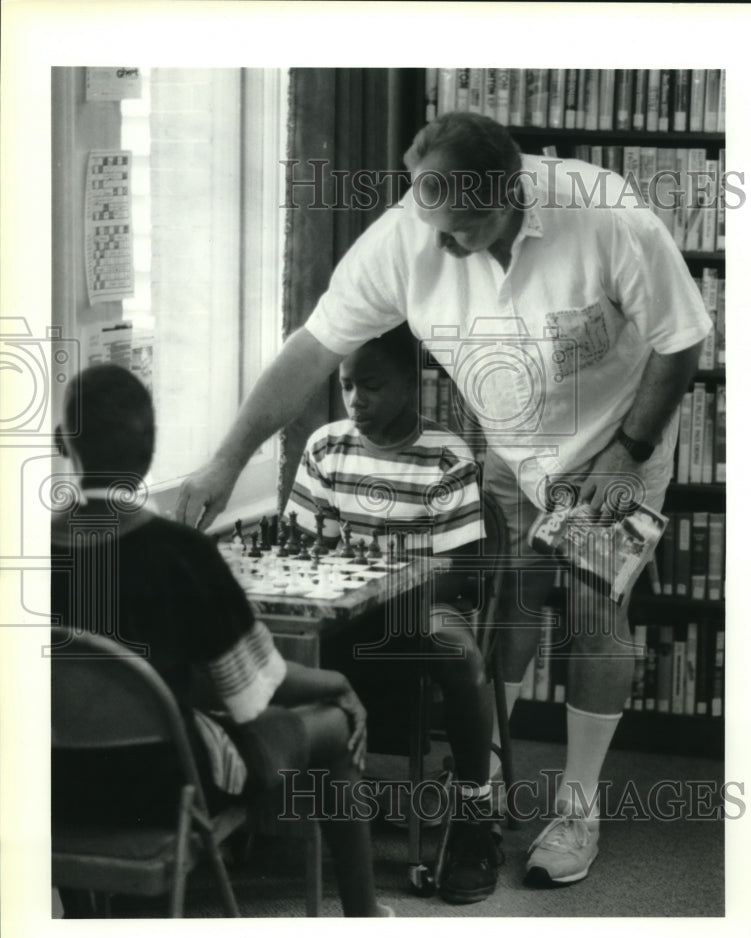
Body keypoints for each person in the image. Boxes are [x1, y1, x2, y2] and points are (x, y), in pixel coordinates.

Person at [177, 111, 711, 887]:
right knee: (515, 609)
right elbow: (312, 349)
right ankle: (489, 783)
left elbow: (681, 337)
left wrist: (628, 456)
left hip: (616, 443)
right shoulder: (411, 232)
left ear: (510, 195)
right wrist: (226, 461)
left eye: (460, 229)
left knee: (597, 615)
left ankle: (578, 804)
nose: (444, 245)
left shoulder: (607, 215)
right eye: (433, 224)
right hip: (515, 449)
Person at [51, 363, 392, 918]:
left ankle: (91, 919)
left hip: (50, 790)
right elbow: (255, 690)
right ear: (151, 446)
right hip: (166, 790)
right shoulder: (180, 553)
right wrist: (341, 681)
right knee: (333, 719)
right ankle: (363, 917)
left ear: (64, 443)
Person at [284, 323, 502, 905]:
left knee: (458, 654)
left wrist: (395, 588)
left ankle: (475, 813)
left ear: (411, 382)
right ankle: (298, 795)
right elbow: (303, 546)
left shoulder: (445, 454)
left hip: (424, 603)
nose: (356, 401)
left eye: (373, 386)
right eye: (348, 385)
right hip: (344, 608)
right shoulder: (326, 447)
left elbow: (463, 569)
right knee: (270, 642)